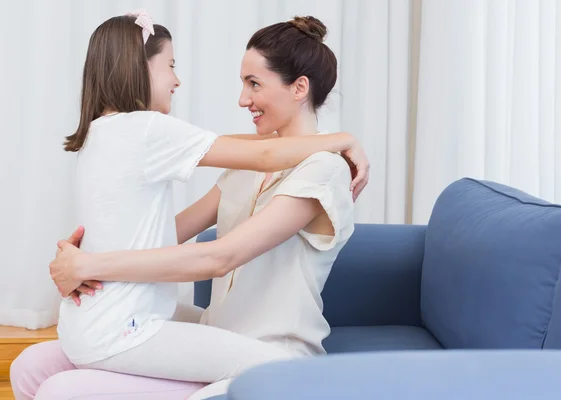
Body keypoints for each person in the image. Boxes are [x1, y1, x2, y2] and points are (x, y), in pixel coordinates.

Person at [11, 13, 363, 400]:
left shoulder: (325, 169)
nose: (243, 99)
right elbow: (168, 233)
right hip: (215, 339)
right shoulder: (244, 166)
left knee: (63, 390)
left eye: (254, 84)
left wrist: (91, 266)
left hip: (271, 358)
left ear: (299, 88)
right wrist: (86, 253)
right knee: (30, 366)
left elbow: (221, 256)